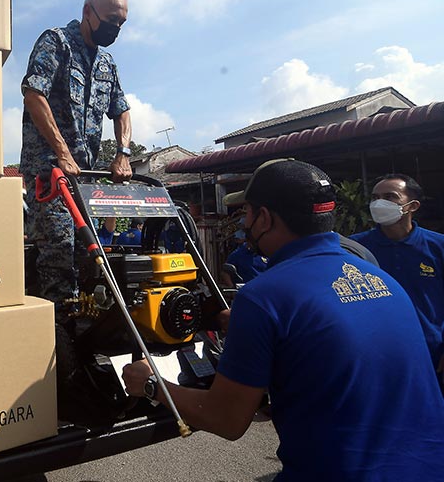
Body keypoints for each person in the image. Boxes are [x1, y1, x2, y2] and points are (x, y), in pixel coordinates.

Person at [123, 159, 444, 480]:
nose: (244, 222)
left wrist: (152, 385)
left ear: (264, 218)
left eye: (246, 212)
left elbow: (226, 419)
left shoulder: (264, 295)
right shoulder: (381, 279)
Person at [20, 0, 132, 324]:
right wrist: (62, 152)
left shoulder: (107, 64)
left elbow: (122, 110)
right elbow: (33, 94)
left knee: (94, 256)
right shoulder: (56, 43)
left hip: (84, 180)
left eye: (122, 24)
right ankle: (57, 338)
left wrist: (124, 152)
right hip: (49, 175)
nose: (116, 29)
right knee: (60, 253)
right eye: (111, 20)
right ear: (88, 12)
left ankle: (91, 329)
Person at [350, 173, 444, 390]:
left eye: (390, 196)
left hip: (432, 354)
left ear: (413, 205)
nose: (379, 203)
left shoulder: (437, 247)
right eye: (375, 197)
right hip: (376, 354)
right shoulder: (356, 250)